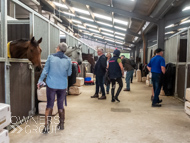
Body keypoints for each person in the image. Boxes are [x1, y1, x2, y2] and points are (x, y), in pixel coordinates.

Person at [37, 42, 72, 133]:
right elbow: (69, 73)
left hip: (51, 84)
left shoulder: (51, 57)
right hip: (62, 85)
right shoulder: (68, 60)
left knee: (50, 104)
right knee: (60, 105)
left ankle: (47, 127)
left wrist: (40, 81)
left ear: (58, 48)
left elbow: (45, 71)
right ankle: (61, 124)